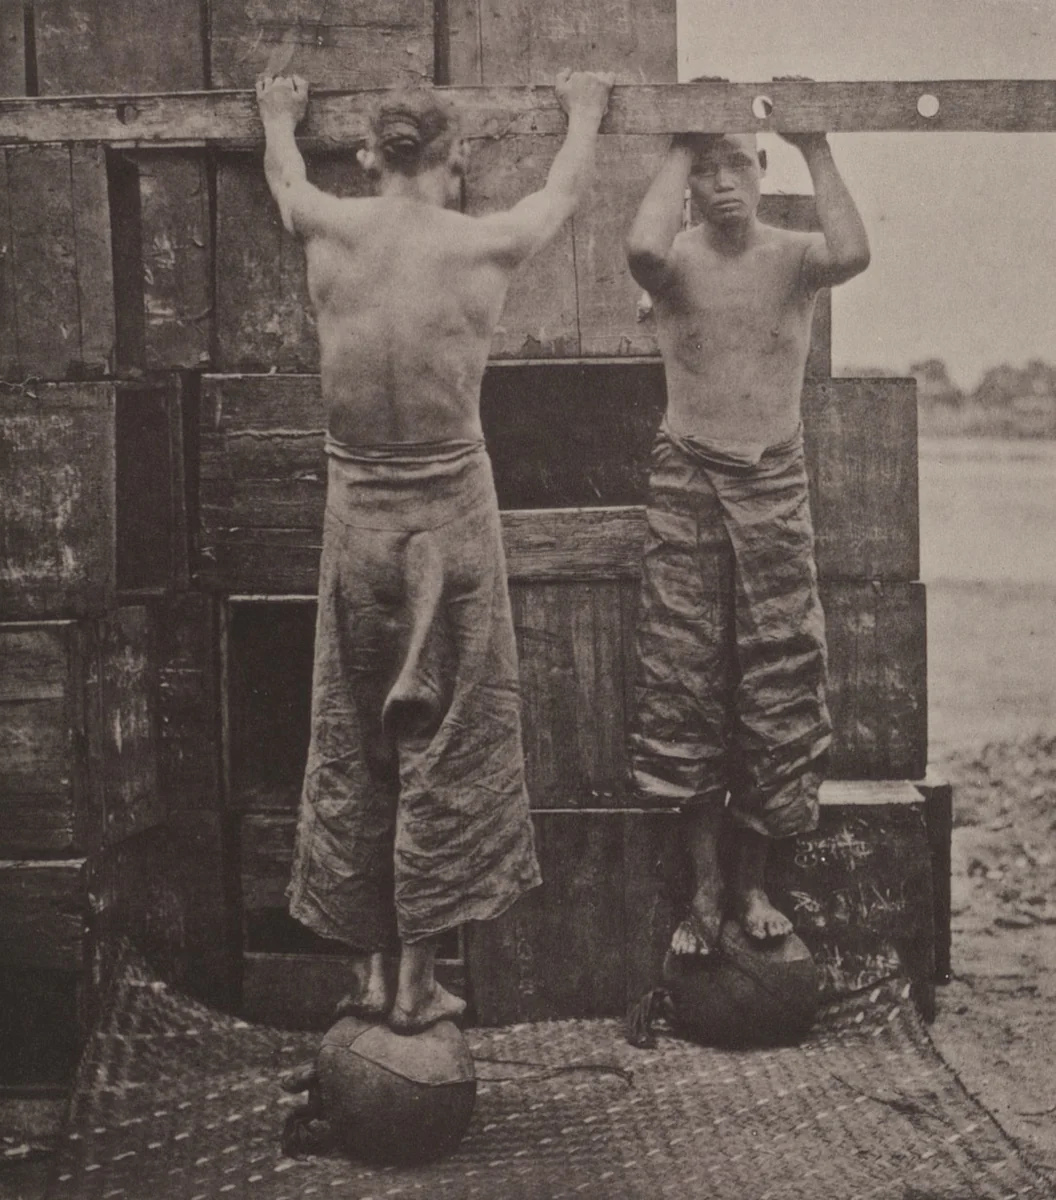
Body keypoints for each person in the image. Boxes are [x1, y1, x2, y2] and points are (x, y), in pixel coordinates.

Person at [255, 69, 614, 1032]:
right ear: (455, 161)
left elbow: (284, 183)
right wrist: (583, 112)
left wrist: (278, 117)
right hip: (451, 508)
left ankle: (371, 979)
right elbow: (562, 195)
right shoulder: (482, 239)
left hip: (357, 510)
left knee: (357, 732)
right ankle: (417, 983)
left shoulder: (327, 223)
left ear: (372, 156)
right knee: (445, 741)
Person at [625, 119, 870, 957]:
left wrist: (819, 146)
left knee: (780, 676)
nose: (724, 182)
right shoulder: (675, 260)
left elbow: (854, 252)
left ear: (763, 172)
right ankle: (701, 885)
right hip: (687, 476)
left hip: (772, 478)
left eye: (739, 164)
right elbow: (641, 253)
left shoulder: (797, 256)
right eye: (708, 168)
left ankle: (754, 880)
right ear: (688, 180)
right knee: (683, 673)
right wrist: (675, 152)